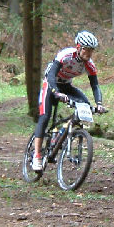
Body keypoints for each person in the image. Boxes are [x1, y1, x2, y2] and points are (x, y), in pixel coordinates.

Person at [31, 30, 105, 171]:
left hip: (66, 85)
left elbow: (95, 85)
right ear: (78, 47)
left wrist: (99, 104)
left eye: (91, 51)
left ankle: (62, 134)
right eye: (86, 50)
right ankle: (37, 155)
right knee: (45, 117)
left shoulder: (89, 64)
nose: (88, 54)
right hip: (51, 83)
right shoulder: (66, 55)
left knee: (86, 106)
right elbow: (52, 74)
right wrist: (55, 92)